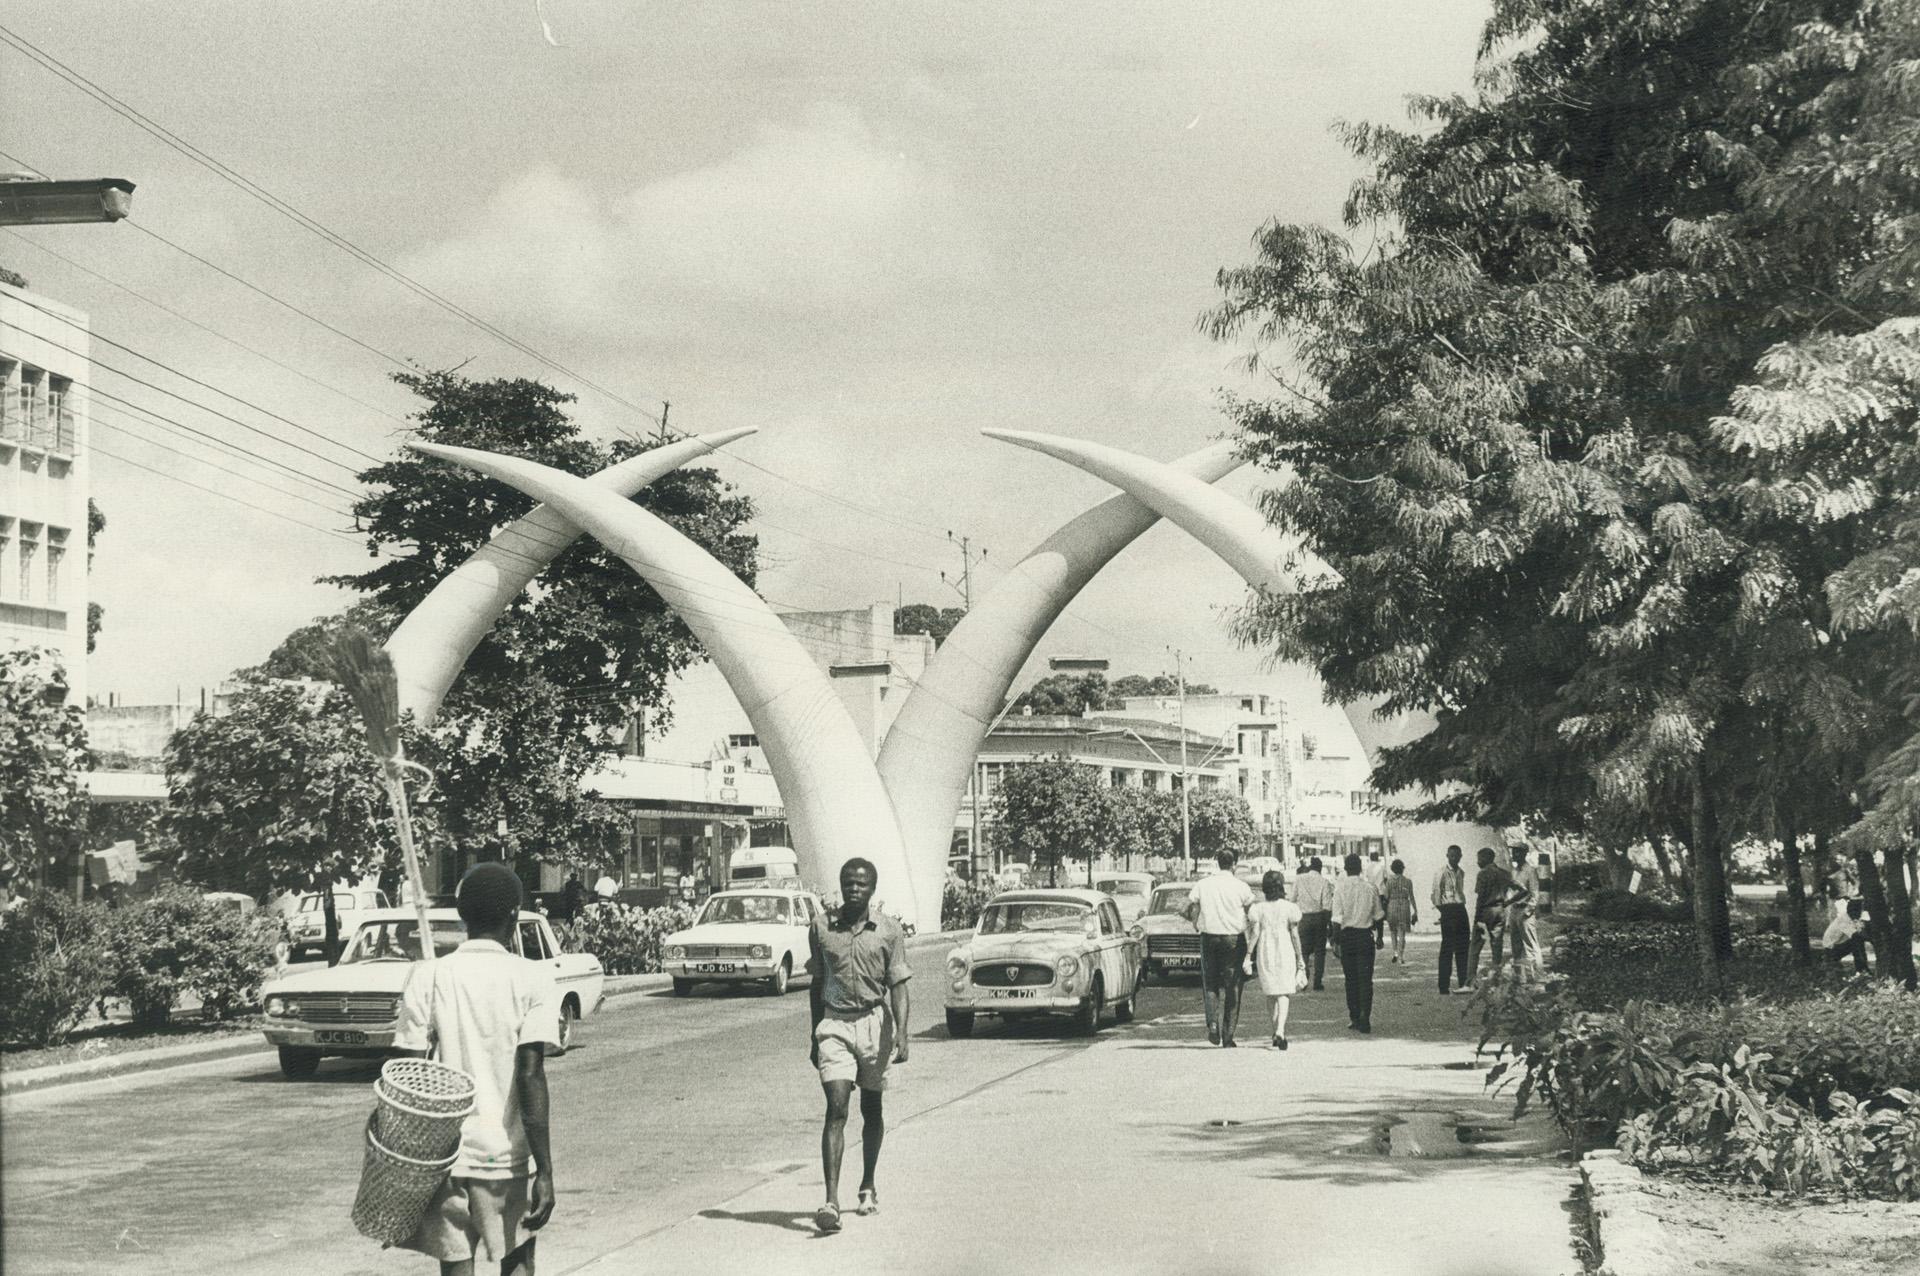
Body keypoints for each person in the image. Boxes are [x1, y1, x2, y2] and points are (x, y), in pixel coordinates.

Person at [393, 862, 560, 1276]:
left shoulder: (428, 976)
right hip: (505, 1159)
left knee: (455, 1267)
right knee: (517, 1260)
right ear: (515, 916)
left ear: (462, 916)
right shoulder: (532, 978)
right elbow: (530, 1076)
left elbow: (406, 1076)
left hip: (444, 1157)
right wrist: (545, 1171)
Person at [806, 858, 911, 1234]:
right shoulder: (821, 927)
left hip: (873, 1024)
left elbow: (898, 984)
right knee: (836, 1106)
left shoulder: (888, 931)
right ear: (841, 884)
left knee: (871, 1106)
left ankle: (867, 1183)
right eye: (848, 883)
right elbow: (817, 984)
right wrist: (813, 1033)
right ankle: (831, 1201)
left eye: (861, 884)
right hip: (834, 1023)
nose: (854, 889)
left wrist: (901, 1031)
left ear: (872, 890)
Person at [1185, 849, 1256, 1047]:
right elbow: (1251, 913)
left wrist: (1196, 923)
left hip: (1209, 937)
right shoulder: (1241, 886)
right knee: (1233, 986)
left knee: (1211, 983)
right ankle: (1228, 1034)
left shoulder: (1204, 884)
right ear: (1234, 864)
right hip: (1234, 940)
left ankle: (1213, 1024)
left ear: (1217, 863)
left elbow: (1190, 907)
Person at [1243, 871, 1305, 1050]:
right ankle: (1280, 1030)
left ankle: (1275, 1030)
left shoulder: (1258, 909)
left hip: (1266, 951)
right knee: (1284, 992)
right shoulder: (1289, 908)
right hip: (1285, 951)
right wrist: (1300, 957)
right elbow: (1294, 935)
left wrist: (1248, 955)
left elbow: (1255, 933)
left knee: (1270, 993)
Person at [1331, 853, 1383, 1033]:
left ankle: (1354, 1016)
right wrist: (1380, 938)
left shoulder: (1340, 888)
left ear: (1345, 868)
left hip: (1348, 938)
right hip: (1365, 938)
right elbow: (1378, 916)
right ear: (1361, 868)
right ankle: (1365, 1017)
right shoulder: (1371, 888)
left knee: (1351, 979)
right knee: (1366, 980)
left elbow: (1336, 919)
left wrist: (1335, 942)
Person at [1463, 847, 1515, 990]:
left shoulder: (1483, 874)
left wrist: (1476, 918)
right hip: (1500, 911)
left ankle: (1470, 982)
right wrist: (1507, 903)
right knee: (1496, 946)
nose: (1477, 861)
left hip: (1486, 912)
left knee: (1475, 947)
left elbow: (1481, 898)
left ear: (1486, 859)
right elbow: (1520, 890)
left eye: (1479, 858)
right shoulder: (1505, 874)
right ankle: (1495, 980)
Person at [1431, 845, 1471, 995]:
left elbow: (1459, 892)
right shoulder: (1441, 872)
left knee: (1463, 947)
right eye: (1451, 855)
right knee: (1447, 948)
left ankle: (1463, 982)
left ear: (1460, 856)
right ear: (1447, 855)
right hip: (1448, 910)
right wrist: (1444, 912)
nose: (1454, 858)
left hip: (1460, 909)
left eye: (1457, 855)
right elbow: (1435, 895)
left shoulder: (1461, 872)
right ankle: (1443, 986)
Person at [1292, 857, 1334, 991]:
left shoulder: (1299, 879)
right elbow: (1327, 906)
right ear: (1320, 868)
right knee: (1319, 952)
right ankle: (1317, 982)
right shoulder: (1324, 882)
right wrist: (1329, 925)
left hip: (1303, 918)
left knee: (1303, 950)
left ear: (1310, 867)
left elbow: (1292, 899)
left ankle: (1303, 979)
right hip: (1319, 918)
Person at [1508, 847, 1542, 981]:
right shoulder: (1514, 871)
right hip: (1514, 910)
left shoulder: (1530, 870)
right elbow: (1511, 893)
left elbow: (1535, 893)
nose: (1514, 854)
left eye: (1518, 851)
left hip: (1525, 911)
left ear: (1524, 854)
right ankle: (1520, 976)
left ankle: (1538, 976)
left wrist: (1527, 911)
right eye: (1513, 851)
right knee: (1516, 945)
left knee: (1531, 945)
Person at [1821, 899, 1873, 973]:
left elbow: (1862, 932)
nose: (1858, 914)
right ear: (1849, 910)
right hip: (1830, 951)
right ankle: (1861, 969)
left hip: (1837, 946)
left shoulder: (1852, 918)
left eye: (1859, 911)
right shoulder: (1843, 919)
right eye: (1855, 911)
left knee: (1858, 940)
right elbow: (1856, 935)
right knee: (1857, 941)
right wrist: (1872, 940)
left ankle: (1863, 968)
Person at [1383, 859, 1417, 965]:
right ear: (1402, 868)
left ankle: (1395, 953)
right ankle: (1401, 956)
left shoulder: (1389, 881)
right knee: (1402, 932)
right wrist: (1415, 911)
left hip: (1392, 906)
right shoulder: (1408, 881)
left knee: (1393, 932)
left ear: (1393, 869)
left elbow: (1386, 897)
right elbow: (1411, 897)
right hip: (1404, 906)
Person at [1363, 850, 1389, 950]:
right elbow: (1386, 879)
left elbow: (1366, 879)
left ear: (1370, 857)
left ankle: (1370, 934)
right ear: (1378, 857)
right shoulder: (1382, 867)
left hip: (1370, 891)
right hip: (1380, 892)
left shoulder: (1367, 867)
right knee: (1380, 915)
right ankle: (1380, 937)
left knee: (1369, 912)